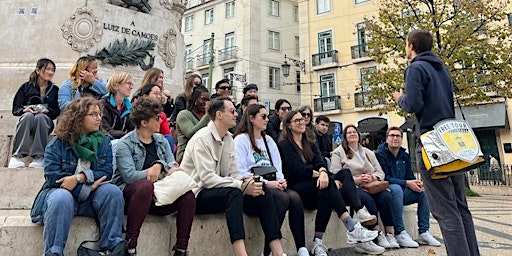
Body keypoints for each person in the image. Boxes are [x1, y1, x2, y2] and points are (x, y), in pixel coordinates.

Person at [392, 29, 480, 256]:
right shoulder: (442, 69)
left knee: (445, 209)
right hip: (453, 143)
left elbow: (413, 104)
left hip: (433, 147)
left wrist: (399, 98)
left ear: (411, 46)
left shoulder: (415, 68)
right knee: (460, 206)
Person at [181, 96, 288, 256]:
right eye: (232, 111)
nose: (236, 114)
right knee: (234, 193)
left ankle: (278, 252)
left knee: (261, 189)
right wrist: (242, 185)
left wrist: (250, 183)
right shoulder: (201, 138)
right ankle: (241, 253)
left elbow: (234, 174)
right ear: (219, 115)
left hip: (221, 190)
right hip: (197, 194)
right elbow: (208, 179)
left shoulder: (229, 138)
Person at [30, 97, 125, 256]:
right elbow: (54, 178)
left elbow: (107, 171)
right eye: (93, 114)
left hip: (91, 199)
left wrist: (80, 178)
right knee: (61, 196)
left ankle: (111, 249)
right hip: (62, 200)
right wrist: (87, 186)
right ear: (79, 118)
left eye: (99, 114)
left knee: (112, 192)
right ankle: (54, 252)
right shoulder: (58, 143)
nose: (99, 118)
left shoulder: (104, 142)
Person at [278, 111, 381, 256]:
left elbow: (320, 161)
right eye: (297, 121)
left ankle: (319, 242)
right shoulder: (284, 145)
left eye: (302, 120)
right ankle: (351, 228)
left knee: (339, 178)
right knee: (329, 184)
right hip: (297, 186)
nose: (301, 122)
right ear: (288, 125)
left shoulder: (310, 144)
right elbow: (297, 170)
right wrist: (321, 174)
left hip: (315, 186)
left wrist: (323, 171)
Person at [113, 98, 195, 256]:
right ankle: (131, 245)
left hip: (160, 194)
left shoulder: (161, 141)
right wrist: (151, 171)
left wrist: (161, 166)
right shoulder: (126, 144)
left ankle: (181, 249)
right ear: (144, 122)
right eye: (157, 118)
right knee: (145, 186)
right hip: (133, 196)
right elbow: (129, 176)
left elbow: (172, 165)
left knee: (188, 196)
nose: (161, 120)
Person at [233, 104, 308, 256]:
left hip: (272, 183)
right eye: (263, 116)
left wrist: (281, 180)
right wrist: (268, 183)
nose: (267, 119)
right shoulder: (241, 140)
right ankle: (269, 251)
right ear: (252, 119)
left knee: (294, 198)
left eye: (268, 116)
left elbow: (277, 165)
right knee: (282, 198)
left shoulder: (268, 140)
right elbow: (241, 171)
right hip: (252, 188)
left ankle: (301, 247)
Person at [331, 125, 399, 250]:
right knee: (368, 200)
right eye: (349, 132)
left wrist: (373, 177)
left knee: (386, 196)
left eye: (354, 132)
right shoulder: (338, 152)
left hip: (371, 184)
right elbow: (336, 174)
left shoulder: (368, 152)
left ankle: (390, 233)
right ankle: (378, 233)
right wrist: (355, 180)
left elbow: (380, 172)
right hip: (352, 188)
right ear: (345, 137)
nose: (352, 134)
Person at [375, 126, 441, 247]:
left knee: (423, 193)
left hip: (402, 192)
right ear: (387, 139)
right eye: (392, 136)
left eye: (398, 136)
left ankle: (424, 232)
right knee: (396, 188)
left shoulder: (404, 155)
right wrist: (407, 183)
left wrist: (415, 182)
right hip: (387, 193)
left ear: (402, 139)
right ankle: (399, 232)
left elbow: (409, 175)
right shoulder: (380, 154)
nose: (395, 138)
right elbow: (385, 178)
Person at [9, 58, 60, 168]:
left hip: (45, 121)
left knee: (41, 117)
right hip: (28, 119)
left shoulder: (54, 89)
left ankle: (39, 156)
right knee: (27, 116)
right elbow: (16, 108)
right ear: (38, 70)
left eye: (53, 70)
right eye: (47, 69)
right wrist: (25, 109)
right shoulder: (26, 87)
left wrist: (48, 111)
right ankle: (17, 156)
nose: (50, 72)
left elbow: (57, 111)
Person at [136, 83, 175, 155]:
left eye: (159, 94)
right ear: (145, 96)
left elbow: (167, 135)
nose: (159, 97)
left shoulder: (162, 115)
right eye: (155, 94)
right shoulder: (135, 112)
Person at [175, 85, 210, 163]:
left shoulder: (207, 117)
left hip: (204, 156)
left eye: (208, 100)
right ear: (195, 99)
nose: (206, 103)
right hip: (185, 158)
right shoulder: (184, 114)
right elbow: (191, 133)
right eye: (203, 99)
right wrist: (207, 115)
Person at [101, 71, 135, 140]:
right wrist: (125, 135)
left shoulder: (129, 107)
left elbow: (133, 128)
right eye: (129, 83)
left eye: (132, 84)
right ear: (117, 86)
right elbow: (104, 129)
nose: (131, 87)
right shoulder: (103, 104)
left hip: (121, 142)